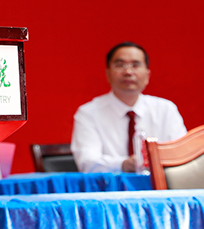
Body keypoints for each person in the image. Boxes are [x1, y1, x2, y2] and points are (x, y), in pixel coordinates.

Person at [70, 42, 186, 173]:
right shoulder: (89, 113)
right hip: (111, 185)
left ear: (147, 75)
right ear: (107, 74)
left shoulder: (166, 110)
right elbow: (87, 163)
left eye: (135, 65)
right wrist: (124, 164)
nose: (128, 72)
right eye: (120, 65)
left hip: (160, 183)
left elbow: (182, 155)